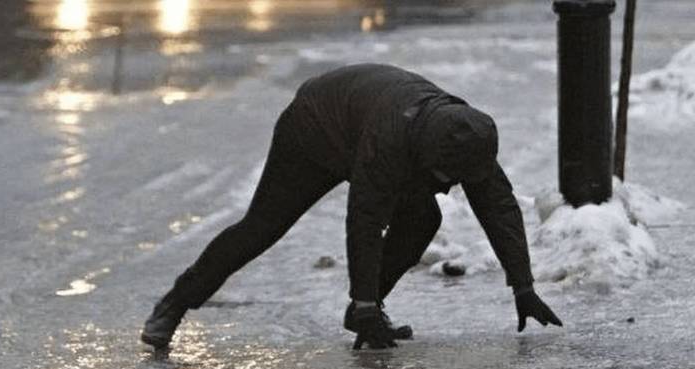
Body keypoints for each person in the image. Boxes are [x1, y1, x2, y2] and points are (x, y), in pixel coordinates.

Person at [141, 63, 562, 352]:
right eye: (443, 179)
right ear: (425, 156)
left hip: (363, 118)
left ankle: (366, 308)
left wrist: (523, 286)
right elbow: (365, 220)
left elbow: (499, 207)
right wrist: (363, 303)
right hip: (313, 130)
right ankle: (175, 303)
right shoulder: (390, 143)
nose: (450, 187)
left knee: (423, 218)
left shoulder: (468, 137)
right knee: (262, 227)